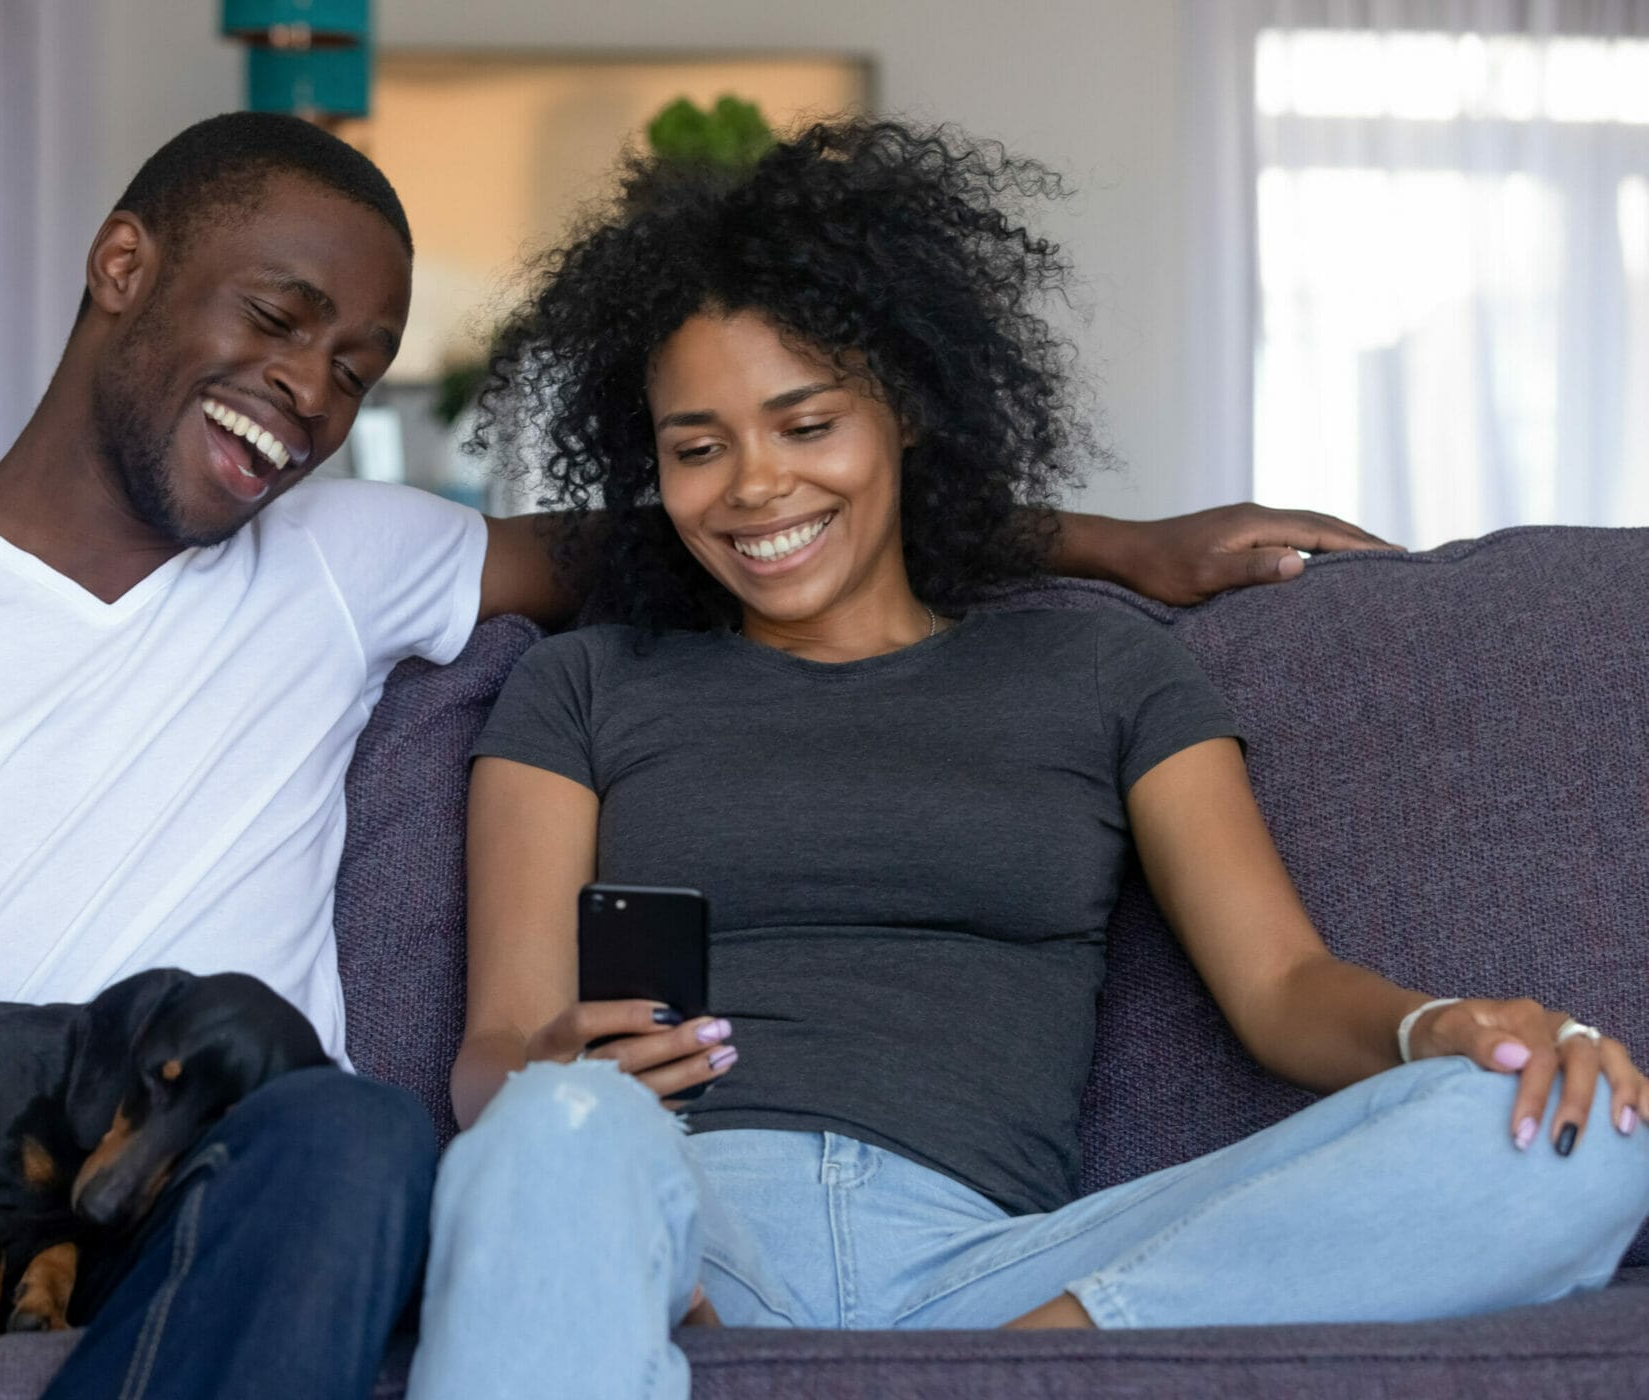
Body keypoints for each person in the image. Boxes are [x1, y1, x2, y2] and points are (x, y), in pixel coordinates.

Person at [0, 111, 1382, 1400]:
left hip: (231, 1203)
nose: (311, 392)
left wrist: (1129, 550)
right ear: (123, 267)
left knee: (350, 1131)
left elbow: (741, 529)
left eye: (355, 366)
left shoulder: (354, 561)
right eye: (278, 320)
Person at [405, 118, 1649, 1399]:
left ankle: (1011, 1368)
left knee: (1582, 1136)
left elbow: (1281, 987)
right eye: (698, 446)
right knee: (548, 1126)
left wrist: (1440, 1025)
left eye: (806, 422)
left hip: (999, 1265)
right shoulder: (584, 681)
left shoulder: (1102, 672)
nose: (754, 487)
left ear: (905, 412)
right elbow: (496, 1047)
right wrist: (560, 1074)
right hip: (685, 1229)